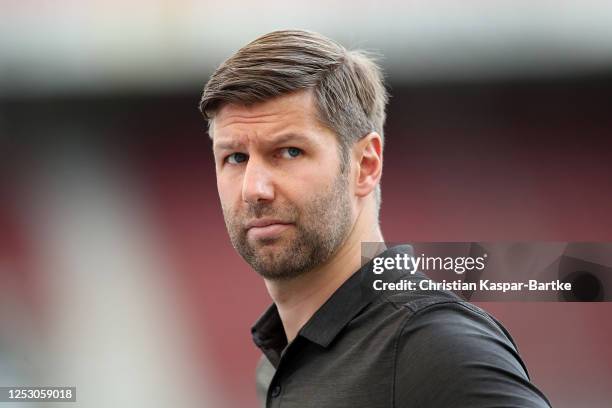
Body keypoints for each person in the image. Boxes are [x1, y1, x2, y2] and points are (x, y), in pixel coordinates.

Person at [199, 29, 551, 408]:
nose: (254, 189)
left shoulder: (436, 346)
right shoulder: (276, 368)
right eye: (235, 158)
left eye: (288, 151)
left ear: (365, 165)